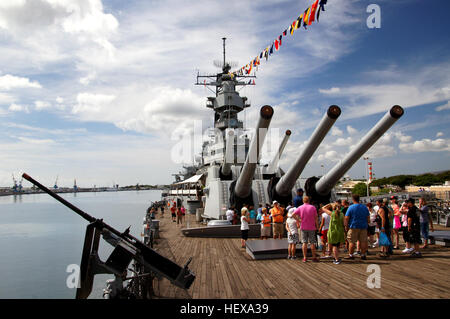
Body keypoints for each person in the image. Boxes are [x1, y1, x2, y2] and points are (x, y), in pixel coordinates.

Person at [344, 194, 370, 260]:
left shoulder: (351, 207)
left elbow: (346, 218)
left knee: (352, 241)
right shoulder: (364, 207)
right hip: (363, 226)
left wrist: (346, 226)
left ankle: (351, 254)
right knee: (363, 241)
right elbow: (368, 218)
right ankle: (363, 254)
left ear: (353, 199)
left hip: (353, 226)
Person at [295, 196, 319, 262]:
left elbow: (293, 214)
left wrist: (299, 220)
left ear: (303, 201)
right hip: (311, 227)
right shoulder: (313, 207)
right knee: (312, 242)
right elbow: (316, 218)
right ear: (309, 201)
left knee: (304, 242)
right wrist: (317, 226)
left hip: (303, 227)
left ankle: (305, 257)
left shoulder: (300, 207)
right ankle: (314, 257)